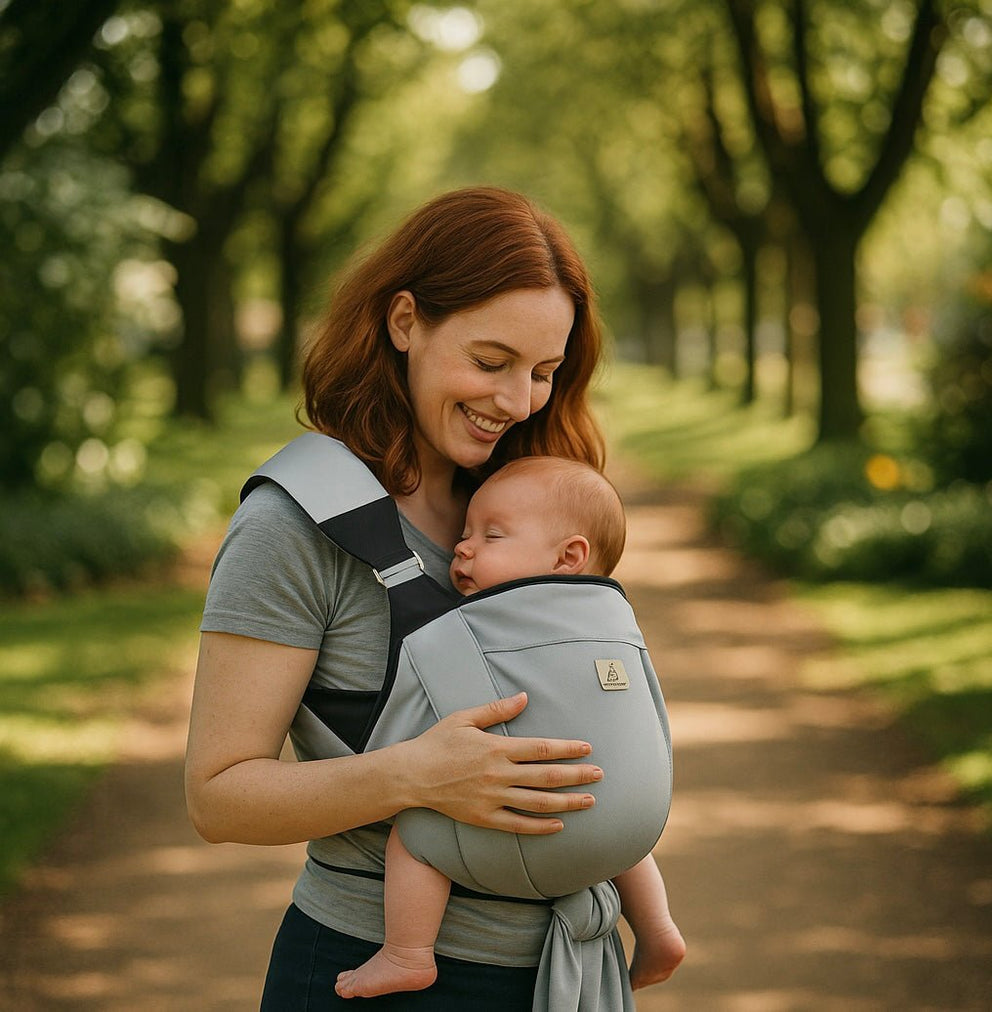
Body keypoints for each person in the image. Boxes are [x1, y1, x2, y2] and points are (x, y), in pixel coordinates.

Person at [185, 186, 678, 1008]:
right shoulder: (295, 525)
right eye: (490, 363)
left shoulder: (527, 502)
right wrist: (416, 775)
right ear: (405, 321)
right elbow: (217, 795)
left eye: (544, 373)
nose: (517, 402)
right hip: (386, 976)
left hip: (570, 969)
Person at [334, 455, 686, 1000]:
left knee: (414, 837)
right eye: (465, 533)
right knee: (606, 800)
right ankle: (659, 929)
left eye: (491, 536)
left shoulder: (481, 628)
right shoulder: (613, 621)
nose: (462, 548)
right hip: (625, 829)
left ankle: (407, 953)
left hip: (517, 835)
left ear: (569, 557)